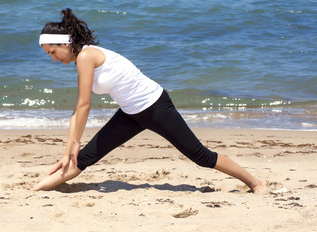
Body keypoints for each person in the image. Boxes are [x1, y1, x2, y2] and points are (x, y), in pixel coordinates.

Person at [32, 8, 265, 192]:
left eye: (52, 52)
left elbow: (85, 105)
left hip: (154, 106)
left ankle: (255, 183)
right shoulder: (82, 60)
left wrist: (74, 141)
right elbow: (77, 109)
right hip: (129, 113)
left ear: (65, 43)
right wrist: (67, 150)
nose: (53, 59)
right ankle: (36, 189)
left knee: (200, 156)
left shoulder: (86, 56)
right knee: (83, 158)